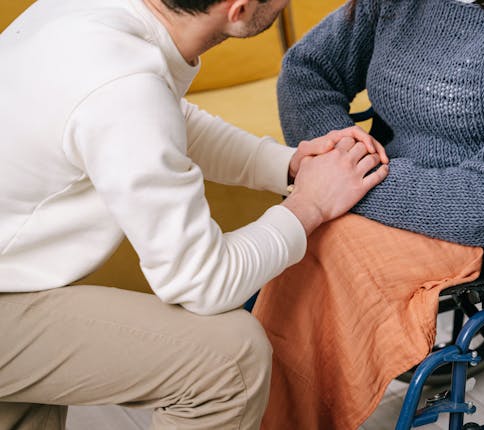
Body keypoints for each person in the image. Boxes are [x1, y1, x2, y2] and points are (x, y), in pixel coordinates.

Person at [0, 0, 389, 428]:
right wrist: (309, 205)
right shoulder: (124, 88)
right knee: (230, 361)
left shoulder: (96, 20)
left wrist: (287, 165)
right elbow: (203, 283)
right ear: (238, 10)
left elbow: (162, 117)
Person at [251, 0, 484, 428]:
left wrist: (355, 183)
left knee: (324, 246)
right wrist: (341, 157)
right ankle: (255, 401)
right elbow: (306, 71)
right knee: (290, 238)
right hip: (382, 190)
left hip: (461, 222)